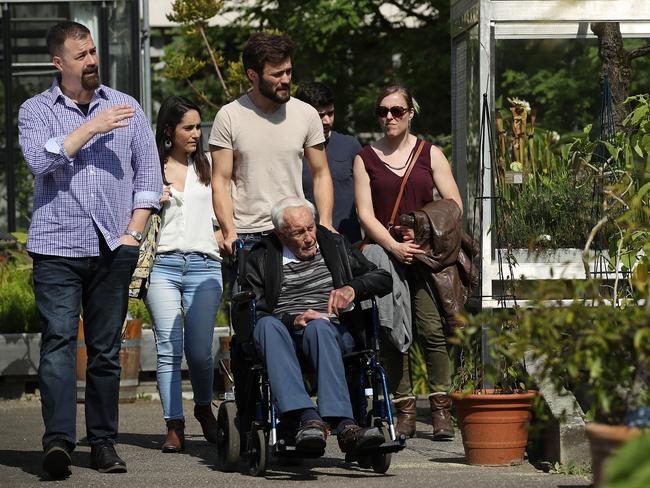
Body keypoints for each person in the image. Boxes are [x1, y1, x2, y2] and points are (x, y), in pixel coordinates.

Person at [18, 21, 161, 478]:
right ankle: (59, 441)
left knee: (103, 351)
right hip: (56, 246)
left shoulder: (128, 106)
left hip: (112, 248)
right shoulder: (36, 109)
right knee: (58, 341)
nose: (92, 61)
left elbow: (149, 178)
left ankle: (103, 443)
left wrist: (132, 235)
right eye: (81, 56)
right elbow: (41, 160)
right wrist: (92, 127)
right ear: (59, 63)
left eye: (94, 52)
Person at [353, 85, 463, 440]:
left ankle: (441, 410)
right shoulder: (365, 158)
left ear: (410, 113)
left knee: (431, 330)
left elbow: (453, 204)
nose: (389, 117)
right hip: (385, 256)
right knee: (392, 333)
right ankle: (405, 410)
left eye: (396, 111)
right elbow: (365, 215)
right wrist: (392, 246)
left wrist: (423, 233)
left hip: (424, 256)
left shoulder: (430, 153)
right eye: (382, 111)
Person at [244, 197, 392, 454]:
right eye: (299, 233)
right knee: (266, 326)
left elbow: (382, 278)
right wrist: (293, 319)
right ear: (280, 233)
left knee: (318, 327)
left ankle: (345, 425)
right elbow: (249, 312)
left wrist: (352, 288)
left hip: (334, 332)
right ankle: (307, 418)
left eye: (310, 228)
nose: (309, 237)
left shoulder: (333, 244)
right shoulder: (261, 256)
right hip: (284, 336)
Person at [144, 96, 223, 453]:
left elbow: (225, 211)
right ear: (168, 131)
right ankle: (173, 425)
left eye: (197, 126)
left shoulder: (208, 165)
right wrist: (148, 200)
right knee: (168, 348)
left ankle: (204, 408)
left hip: (205, 265)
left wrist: (224, 234)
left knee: (200, 352)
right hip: (163, 265)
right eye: (187, 127)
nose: (195, 133)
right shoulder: (151, 168)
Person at [210, 32, 335, 255]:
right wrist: (229, 232)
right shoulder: (229, 116)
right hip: (248, 235)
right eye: (276, 74)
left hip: (298, 232)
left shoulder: (306, 114)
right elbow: (220, 180)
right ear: (252, 75)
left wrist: (324, 223)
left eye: (288, 71)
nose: (285, 79)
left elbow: (321, 172)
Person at [295, 82, 362, 243]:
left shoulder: (350, 146)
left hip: (349, 243)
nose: (326, 121)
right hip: (305, 246)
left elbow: (371, 198)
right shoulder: (290, 150)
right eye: (319, 115)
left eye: (330, 113)